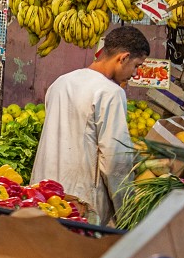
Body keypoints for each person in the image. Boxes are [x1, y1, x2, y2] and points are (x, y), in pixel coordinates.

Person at [30, 26, 150, 225]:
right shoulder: (111, 92)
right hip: (81, 204)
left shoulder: (60, 82)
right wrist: (127, 213)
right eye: (137, 65)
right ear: (123, 58)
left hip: (43, 193)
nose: (135, 73)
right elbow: (115, 160)